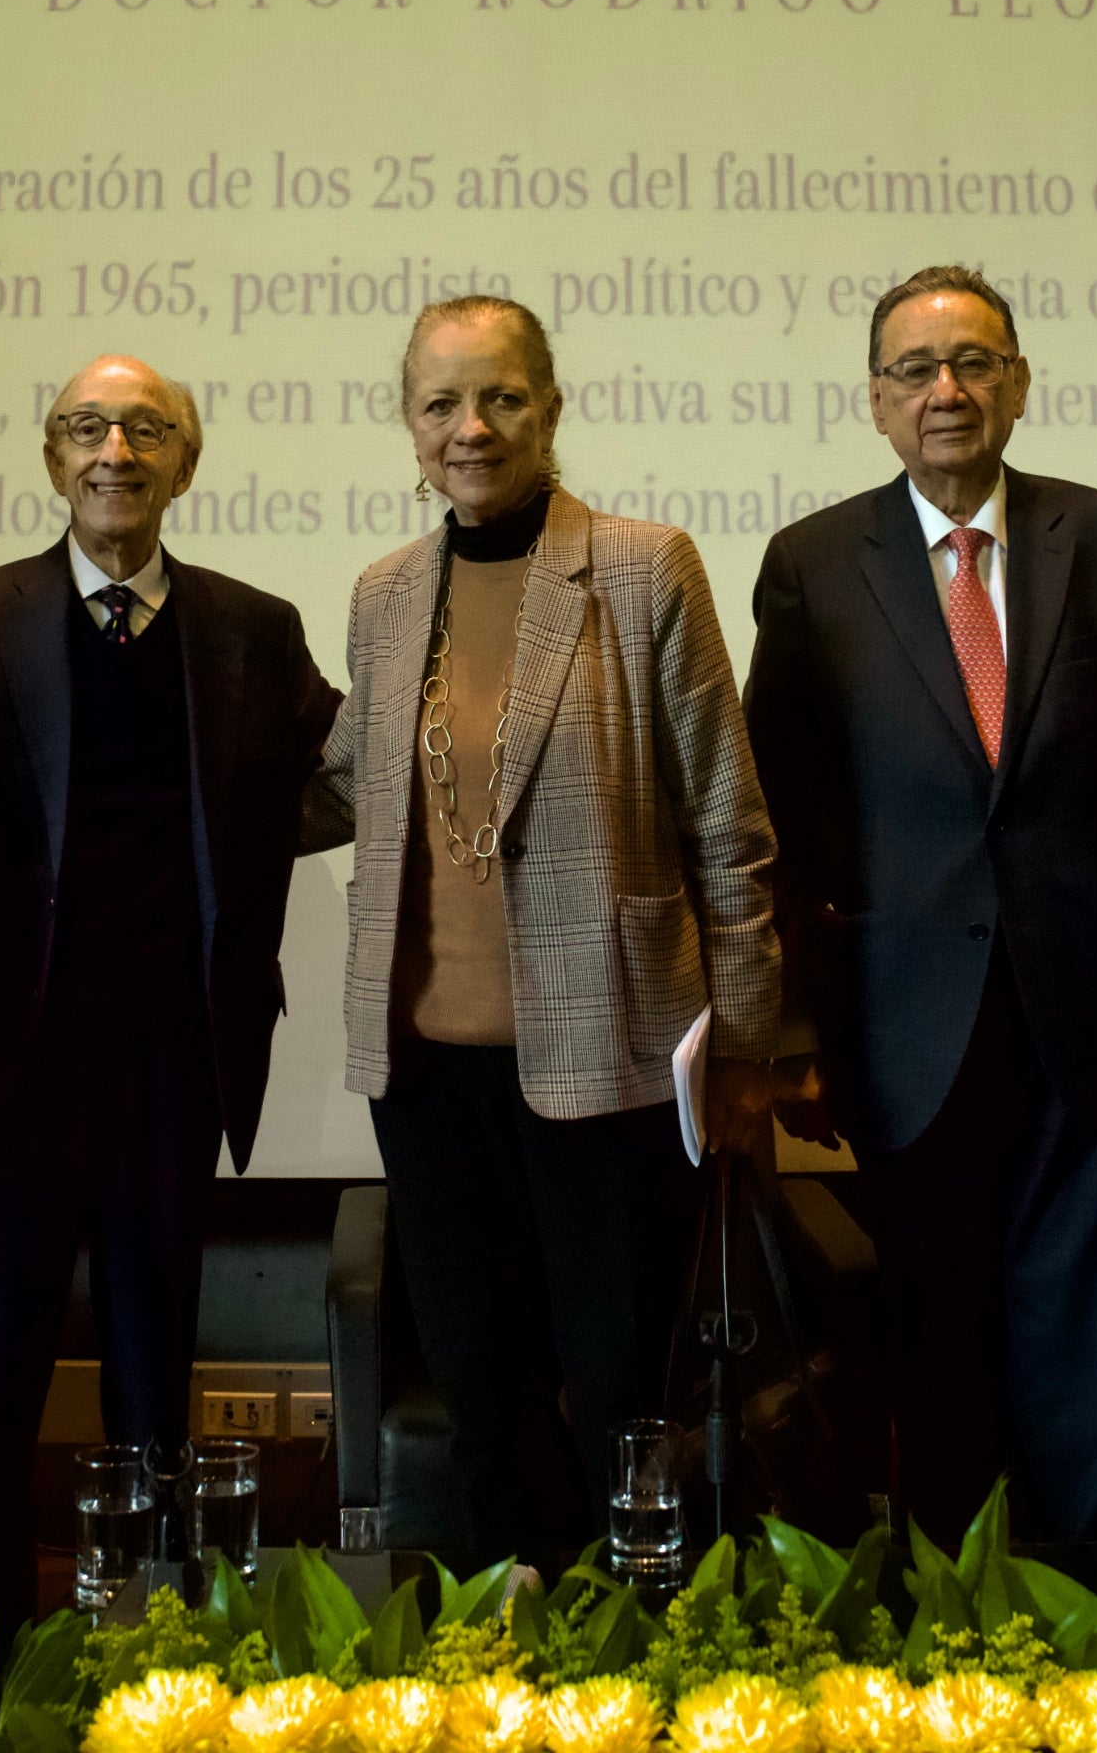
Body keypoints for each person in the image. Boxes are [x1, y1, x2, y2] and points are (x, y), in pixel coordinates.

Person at [310, 294, 779, 1570]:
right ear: (408, 424)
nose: (471, 427)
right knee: (480, 1393)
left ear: (551, 406)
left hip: (614, 1063)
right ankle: (507, 1647)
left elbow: (728, 823)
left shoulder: (641, 565)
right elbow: (344, 776)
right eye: (440, 403)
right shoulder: (385, 593)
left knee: (620, 1396)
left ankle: (634, 1655)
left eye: (501, 397)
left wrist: (740, 1051)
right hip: (425, 1068)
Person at [745, 264, 1097, 1547]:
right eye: (914, 369)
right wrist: (795, 1039)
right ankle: (954, 1641)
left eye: (972, 363)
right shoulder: (811, 563)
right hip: (901, 1028)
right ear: (877, 403)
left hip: (1088, 1020)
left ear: (1016, 384)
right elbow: (780, 815)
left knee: (1085, 1335)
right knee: (932, 1344)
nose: (945, 390)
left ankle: (1092, 1630)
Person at [0, 356, 341, 1631]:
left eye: (146, 428)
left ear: (184, 465)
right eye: (88, 427)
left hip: (170, 1053)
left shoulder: (252, 625)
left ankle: (165, 1637)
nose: (115, 449)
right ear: (54, 460)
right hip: (8, 1059)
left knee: (159, 1364)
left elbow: (326, 780)